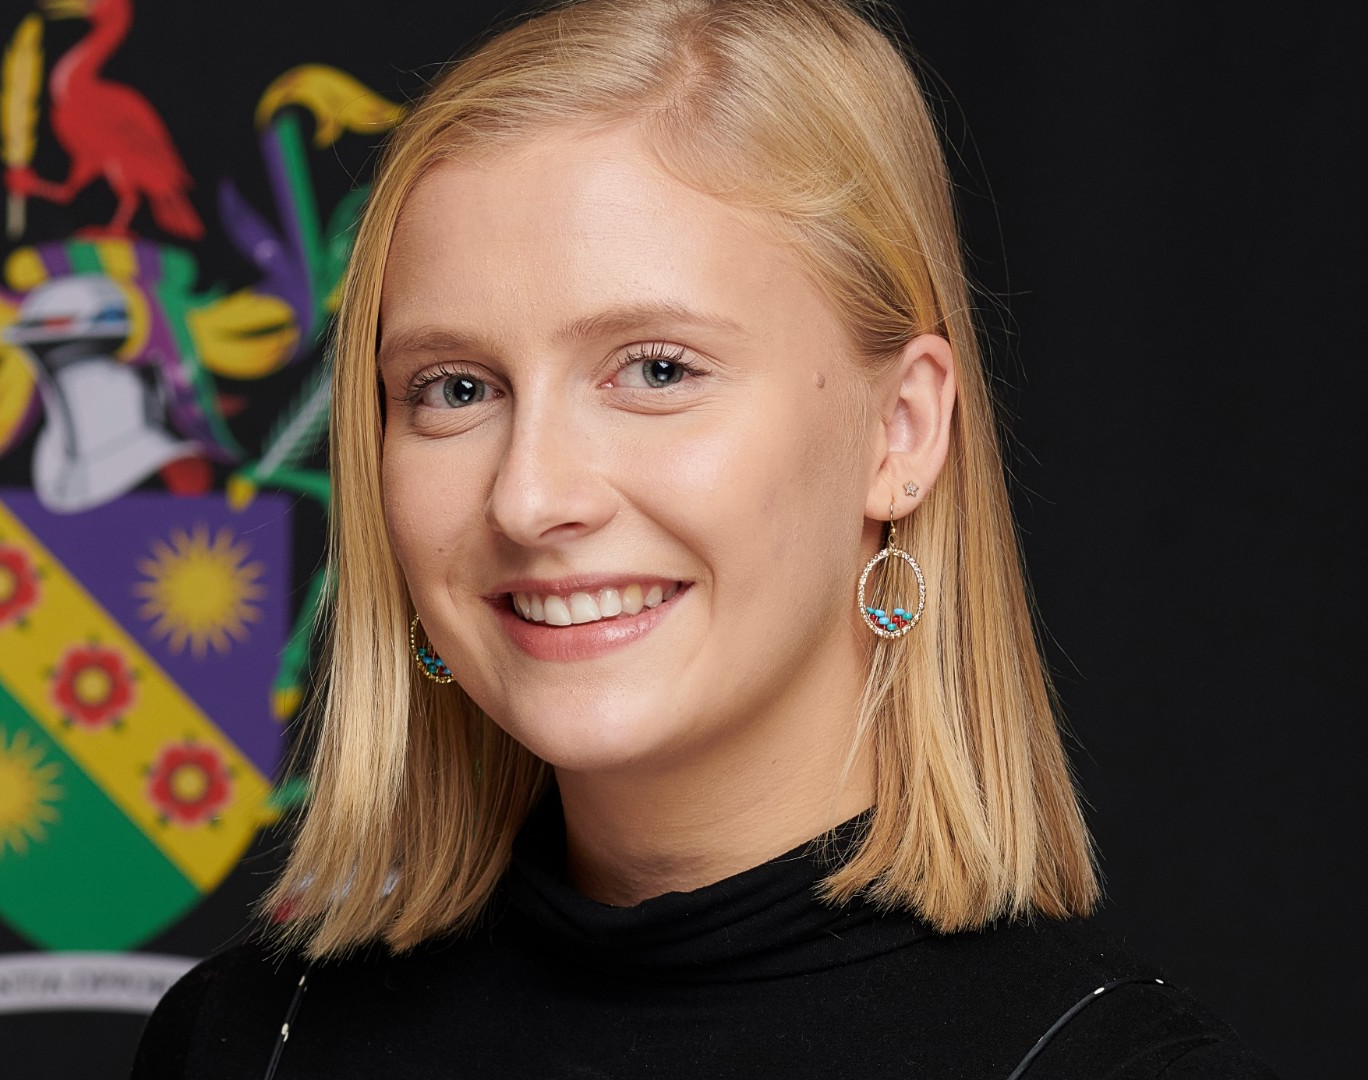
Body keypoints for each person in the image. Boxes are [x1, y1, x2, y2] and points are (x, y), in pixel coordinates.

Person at [133, 1, 1278, 1075]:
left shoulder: (1103, 1066)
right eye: (455, 388)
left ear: (904, 428)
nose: (529, 500)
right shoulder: (246, 1043)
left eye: (658, 370)